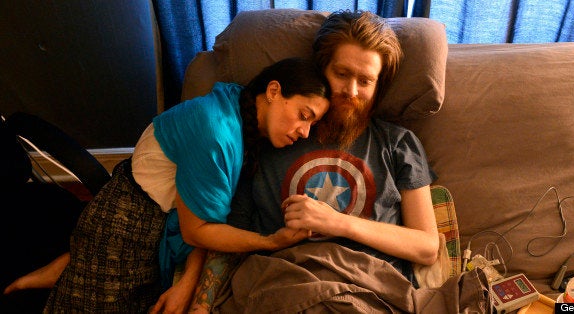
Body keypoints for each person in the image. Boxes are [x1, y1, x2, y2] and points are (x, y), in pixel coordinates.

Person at [4, 57, 330, 313]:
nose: (304, 132)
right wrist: (270, 241)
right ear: (273, 91)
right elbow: (198, 231)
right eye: (304, 114)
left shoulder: (240, 108)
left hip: (163, 217)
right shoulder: (216, 132)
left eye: (312, 124)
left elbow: (206, 216)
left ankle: (71, 263)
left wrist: (188, 283)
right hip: (126, 219)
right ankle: (69, 265)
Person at [186, 9, 444, 312]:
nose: (351, 91)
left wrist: (337, 222)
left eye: (365, 81)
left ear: (378, 87)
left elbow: (426, 247)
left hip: (370, 291)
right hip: (282, 286)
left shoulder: (397, 143)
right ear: (322, 70)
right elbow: (231, 236)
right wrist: (199, 304)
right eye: (342, 74)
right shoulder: (271, 138)